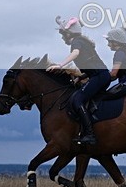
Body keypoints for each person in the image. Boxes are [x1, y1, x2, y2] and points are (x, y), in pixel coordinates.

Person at [47, 16, 110, 145]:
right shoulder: (82, 41)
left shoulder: (76, 41)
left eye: (63, 34)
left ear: (69, 33)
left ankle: (90, 134)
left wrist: (60, 65)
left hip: (98, 77)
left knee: (77, 100)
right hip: (100, 76)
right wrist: (80, 77)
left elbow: (75, 53)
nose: (62, 37)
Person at [104, 26, 126, 96]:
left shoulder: (119, 53)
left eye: (109, 41)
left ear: (116, 42)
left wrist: (100, 80)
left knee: (104, 97)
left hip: (125, 83)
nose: (108, 44)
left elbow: (113, 73)